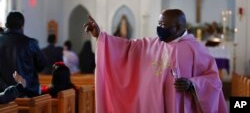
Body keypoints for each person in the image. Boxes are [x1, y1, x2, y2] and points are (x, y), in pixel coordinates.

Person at [84, 9, 228, 113]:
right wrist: (100, 36)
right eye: (158, 24)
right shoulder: (152, 44)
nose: (159, 29)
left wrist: (192, 84)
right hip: (152, 105)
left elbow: (213, 81)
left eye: (163, 25)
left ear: (177, 27)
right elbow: (128, 47)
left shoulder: (196, 50)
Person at [0, 11, 47, 97]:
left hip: (3, 96)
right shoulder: (30, 43)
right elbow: (42, 65)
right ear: (22, 25)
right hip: (27, 94)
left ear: (6, 24)